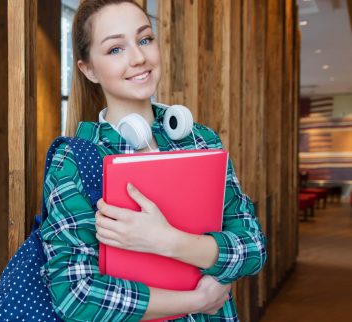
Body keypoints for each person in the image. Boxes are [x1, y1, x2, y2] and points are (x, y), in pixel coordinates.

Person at [40, 1, 267, 321]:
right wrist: (196, 301)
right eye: (116, 49)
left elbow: (253, 247)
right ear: (88, 69)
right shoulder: (74, 161)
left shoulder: (201, 140)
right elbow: (76, 294)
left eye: (145, 39)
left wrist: (168, 241)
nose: (139, 57)